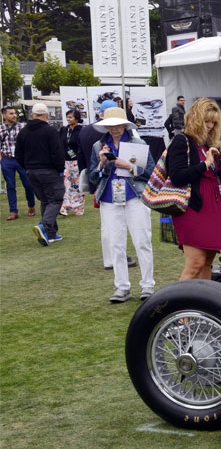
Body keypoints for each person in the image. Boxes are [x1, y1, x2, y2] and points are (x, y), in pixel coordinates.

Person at [88, 107, 156, 303]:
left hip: (134, 196)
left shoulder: (138, 143)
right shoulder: (98, 146)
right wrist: (102, 164)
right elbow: (93, 177)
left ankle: (147, 285)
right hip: (109, 199)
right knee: (116, 244)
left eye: (117, 125)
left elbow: (151, 173)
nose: (114, 129)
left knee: (142, 240)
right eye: (110, 126)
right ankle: (122, 287)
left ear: (125, 125)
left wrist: (130, 167)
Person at [167, 98, 221, 280]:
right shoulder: (181, 141)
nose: (210, 126)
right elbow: (177, 177)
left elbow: (218, 183)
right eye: (206, 121)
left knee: (207, 261)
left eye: (213, 122)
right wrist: (205, 165)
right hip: (192, 208)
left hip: (214, 208)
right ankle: (174, 304)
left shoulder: (205, 145)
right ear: (196, 119)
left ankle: (201, 303)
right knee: (195, 262)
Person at [15, 104, 64, 245]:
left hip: (31, 171)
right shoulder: (50, 131)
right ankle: (45, 225)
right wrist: (59, 169)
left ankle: (50, 233)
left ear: (33, 115)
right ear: (47, 116)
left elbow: (18, 154)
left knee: (45, 201)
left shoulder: (23, 132)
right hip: (49, 170)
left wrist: (27, 166)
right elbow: (57, 152)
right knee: (55, 199)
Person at [1, 105, 36, 220]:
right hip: (7, 159)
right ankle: (13, 211)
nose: (14, 115)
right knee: (10, 186)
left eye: (14, 113)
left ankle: (31, 205)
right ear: (4, 115)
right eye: (11, 113)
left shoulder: (23, 127)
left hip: (21, 159)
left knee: (28, 184)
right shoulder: (1, 129)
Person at [58, 108, 86, 216]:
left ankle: (78, 207)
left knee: (78, 185)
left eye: (71, 117)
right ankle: (65, 207)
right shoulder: (64, 130)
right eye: (67, 117)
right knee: (66, 185)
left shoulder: (81, 130)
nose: (68, 119)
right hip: (66, 162)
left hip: (77, 161)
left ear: (77, 118)